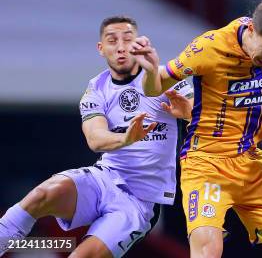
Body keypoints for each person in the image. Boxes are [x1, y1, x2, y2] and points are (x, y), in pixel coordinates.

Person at [0, 16, 193, 258]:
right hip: (105, 178)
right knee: (42, 195)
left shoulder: (166, 78)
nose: (121, 46)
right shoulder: (96, 88)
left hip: (140, 200)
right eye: (112, 40)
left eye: (127, 39)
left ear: (139, 44)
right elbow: (95, 138)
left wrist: (189, 114)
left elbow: (204, 116)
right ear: (101, 49)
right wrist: (126, 139)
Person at [129, 0, 262, 258]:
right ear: (253, 30)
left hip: (252, 163)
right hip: (206, 164)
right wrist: (150, 70)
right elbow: (155, 87)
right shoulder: (209, 47)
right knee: (208, 251)